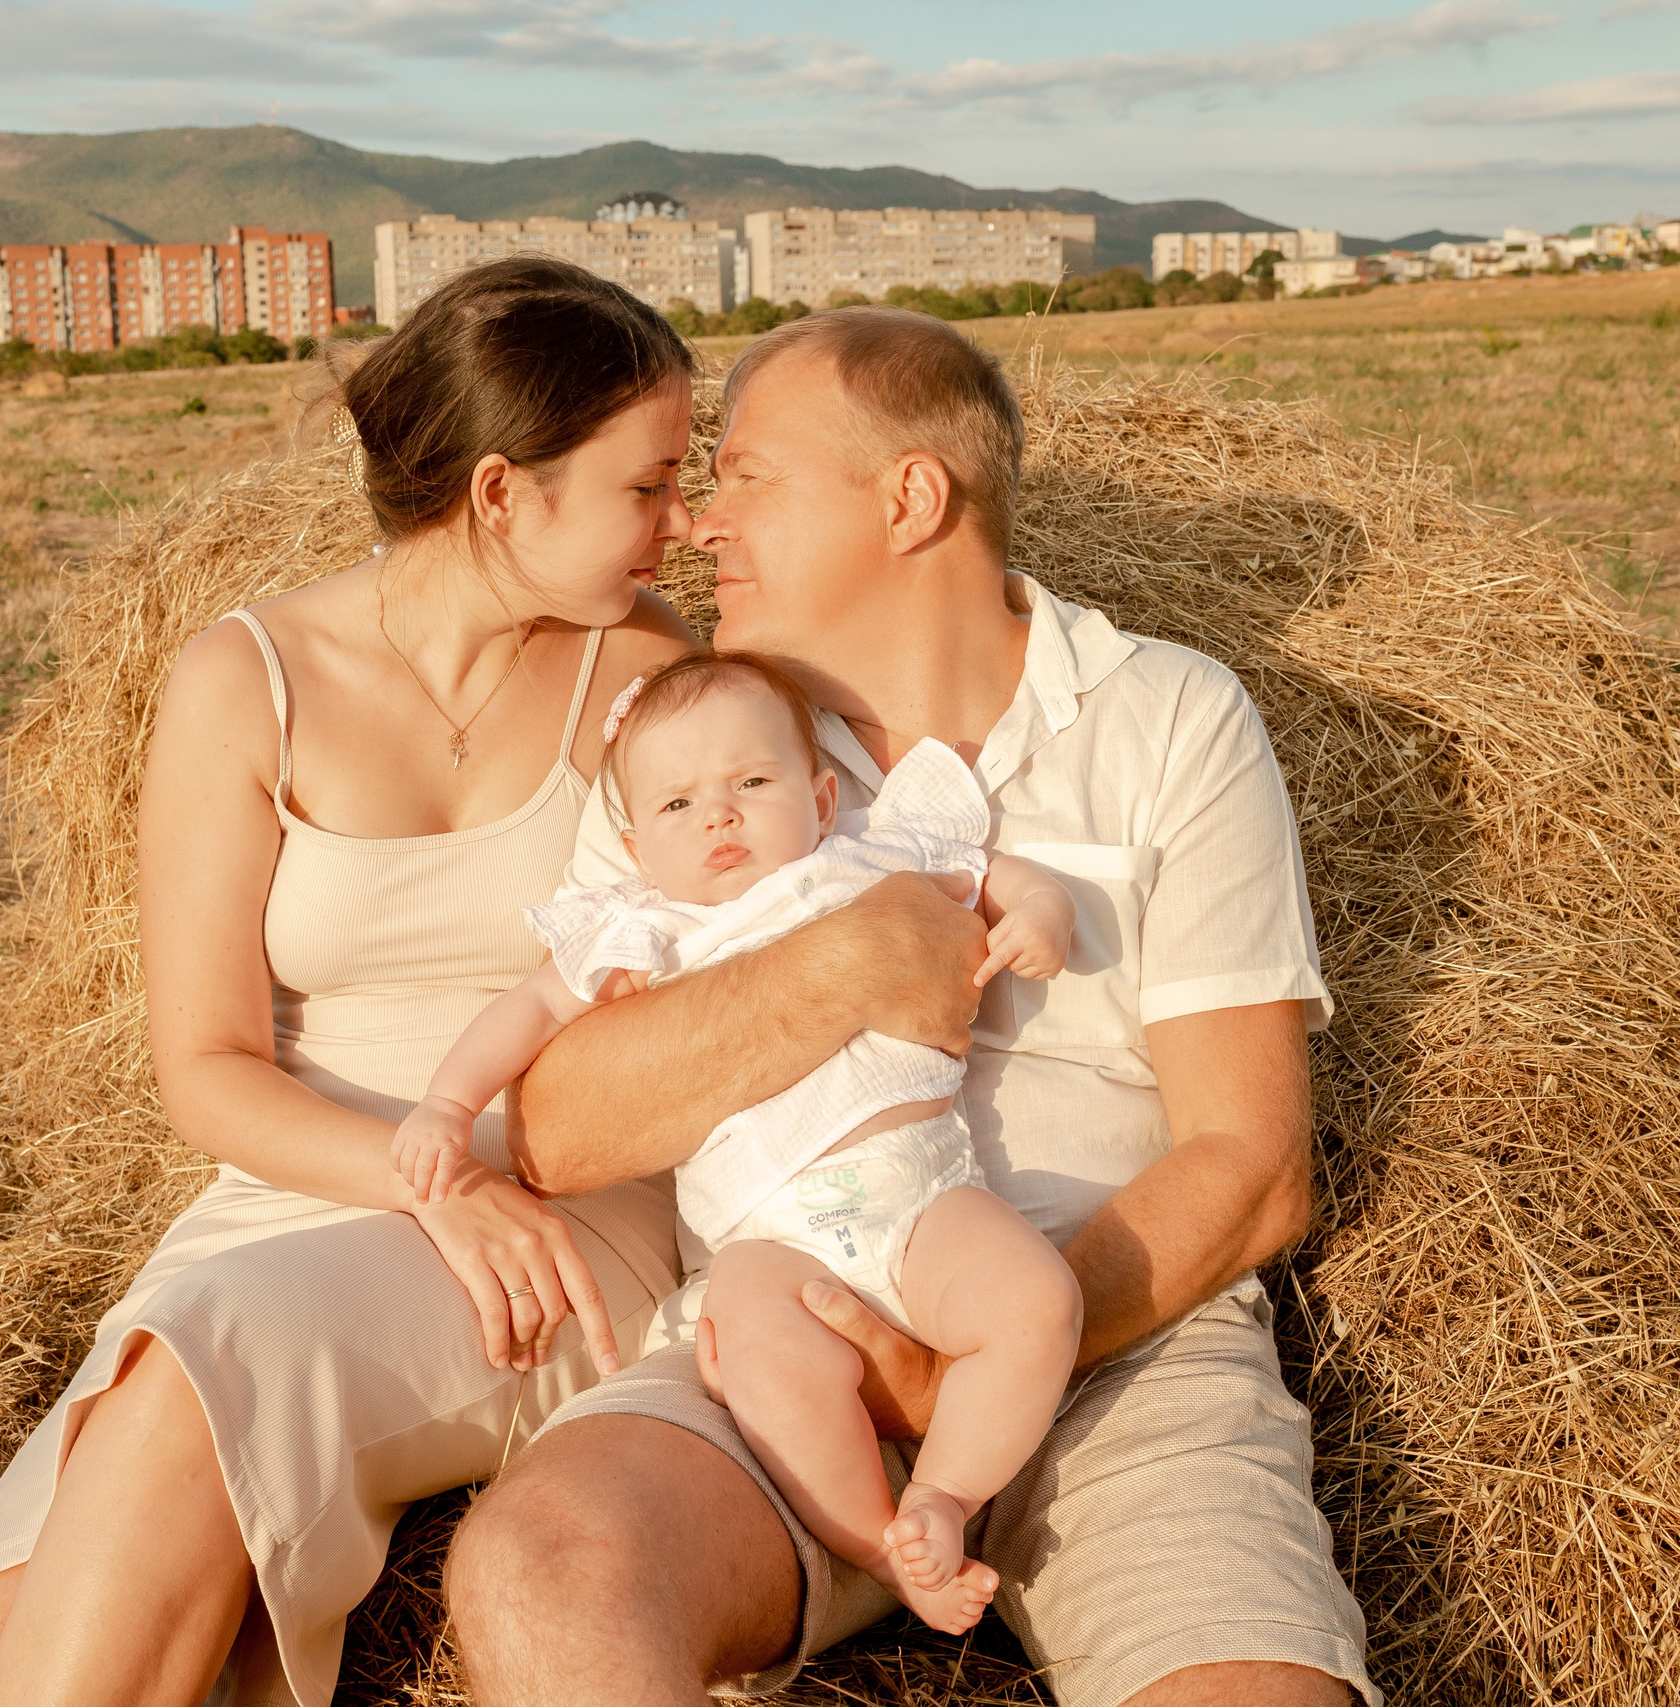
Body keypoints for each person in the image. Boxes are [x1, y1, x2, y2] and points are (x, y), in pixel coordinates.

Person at [446, 307, 1379, 1707]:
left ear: (910, 499)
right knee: (546, 1566)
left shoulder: (1169, 717)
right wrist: (840, 965)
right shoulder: (695, 753)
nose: (697, 521)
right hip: (788, 1327)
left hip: (1126, 1343)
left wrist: (968, 1367)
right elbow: (564, 1131)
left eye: (747, 475)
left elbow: (1250, 1165)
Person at [0, 255, 703, 1707]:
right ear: (504, 492)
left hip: (550, 1214)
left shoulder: (645, 672)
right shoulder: (246, 680)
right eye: (649, 485)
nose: (683, 523)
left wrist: (476, 1179)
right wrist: (424, 1180)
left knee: (191, 1377)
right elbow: (208, 1065)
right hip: (297, 1191)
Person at [389, 651, 1081, 1634]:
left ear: (821, 797)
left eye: (751, 783)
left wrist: (1041, 911)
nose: (717, 817)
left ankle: (945, 1494)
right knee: (765, 1367)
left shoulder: (863, 857)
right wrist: (447, 1106)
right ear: (637, 849)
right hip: (769, 1239)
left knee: (1036, 1302)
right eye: (677, 804)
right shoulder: (646, 929)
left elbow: (988, 871)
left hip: (921, 1192)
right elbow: (531, 1009)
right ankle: (873, 1540)